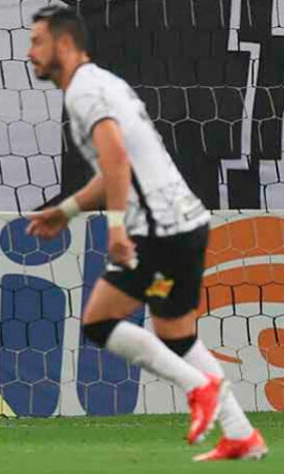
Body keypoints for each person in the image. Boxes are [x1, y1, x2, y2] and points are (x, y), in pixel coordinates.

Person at [25, 5, 267, 461]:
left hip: (159, 230)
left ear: (63, 44)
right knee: (175, 332)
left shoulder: (83, 92)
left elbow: (117, 159)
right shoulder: (102, 82)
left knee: (99, 321)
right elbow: (115, 166)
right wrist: (68, 209)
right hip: (180, 224)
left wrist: (116, 228)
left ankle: (201, 387)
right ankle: (240, 434)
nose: (30, 51)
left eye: (37, 41)